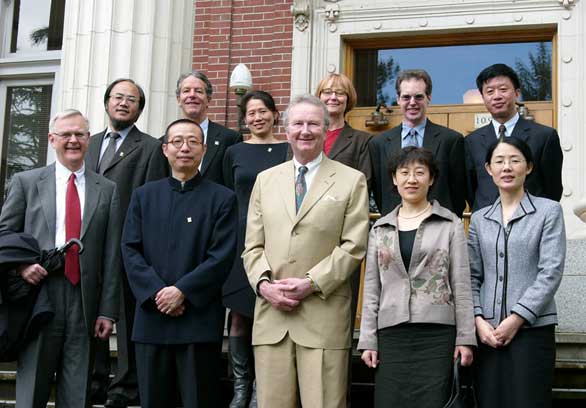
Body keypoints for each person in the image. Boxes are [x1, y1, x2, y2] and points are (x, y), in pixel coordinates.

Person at [243, 94, 370, 408]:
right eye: (297, 123)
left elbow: (354, 246)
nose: (305, 130)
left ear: (326, 129)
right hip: (272, 316)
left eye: (313, 124)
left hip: (323, 317)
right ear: (286, 130)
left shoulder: (351, 180)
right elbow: (252, 246)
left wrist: (311, 283)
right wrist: (264, 286)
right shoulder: (265, 180)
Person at [0, 109, 121, 408]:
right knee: (32, 389)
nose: (73, 140)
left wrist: (108, 311)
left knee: (77, 391)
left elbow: (111, 254)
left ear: (88, 139)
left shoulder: (107, 190)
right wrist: (21, 266)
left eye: (79, 134)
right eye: (65, 134)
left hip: (84, 300)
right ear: (52, 139)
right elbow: (4, 234)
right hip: (38, 295)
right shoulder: (26, 182)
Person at [122, 118, 238, 408]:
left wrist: (182, 291)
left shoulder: (223, 199)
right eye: (177, 142)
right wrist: (157, 293)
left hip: (198, 321)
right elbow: (130, 250)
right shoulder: (143, 196)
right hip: (152, 317)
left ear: (204, 149)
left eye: (193, 142)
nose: (184, 148)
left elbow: (221, 256)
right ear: (165, 149)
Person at [358, 146, 476, 408]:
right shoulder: (380, 228)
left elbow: (461, 283)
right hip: (391, 334)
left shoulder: (450, 224)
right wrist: (368, 339)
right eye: (404, 173)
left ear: (431, 179)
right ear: (394, 178)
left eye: (420, 172)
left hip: (437, 335)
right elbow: (372, 288)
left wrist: (465, 338)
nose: (412, 179)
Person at [85, 78, 168, 408]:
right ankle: (94, 379)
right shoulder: (89, 143)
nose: (123, 103)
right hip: (89, 244)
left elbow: (152, 200)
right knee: (91, 312)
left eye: (131, 99)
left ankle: (125, 386)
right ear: (107, 102)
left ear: (139, 109)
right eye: (118, 97)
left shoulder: (150, 147)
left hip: (127, 243)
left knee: (127, 314)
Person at [468, 136, 565, 407]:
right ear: (488, 169)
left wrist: (517, 318)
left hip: (532, 330)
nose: (507, 167)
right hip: (487, 333)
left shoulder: (548, 211)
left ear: (529, 167)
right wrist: (478, 319)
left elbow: (550, 271)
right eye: (499, 161)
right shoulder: (479, 218)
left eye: (515, 160)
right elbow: (472, 276)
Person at [222, 90, 288, 408]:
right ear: (244, 119)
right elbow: (226, 195)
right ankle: (241, 387)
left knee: (270, 314)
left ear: (275, 114)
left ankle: (263, 388)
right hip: (239, 240)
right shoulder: (233, 152)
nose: (257, 117)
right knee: (239, 314)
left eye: (263, 111)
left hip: (277, 240)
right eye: (251, 113)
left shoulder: (288, 150)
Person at [465, 63, 563, 211]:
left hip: (531, 218)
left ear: (517, 93)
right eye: (490, 91)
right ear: (483, 97)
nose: (497, 96)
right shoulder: (472, 141)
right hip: (486, 219)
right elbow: (469, 189)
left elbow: (553, 189)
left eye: (503, 89)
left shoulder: (544, 136)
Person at [370, 69, 467, 217]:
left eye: (419, 97)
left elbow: (458, 194)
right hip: (395, 224)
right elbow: (380, 193)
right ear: (398, 99)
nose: (412, 102)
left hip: (439, 224)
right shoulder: (379, 143)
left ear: (429, 97)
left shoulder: (451, 141)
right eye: (406, 97)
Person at [174, 70, 242, 184]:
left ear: (208, 99)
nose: (192, 95)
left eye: (198, 91)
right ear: (178, 99)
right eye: (186, 91)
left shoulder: (230, 139)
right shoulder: (163, 142)